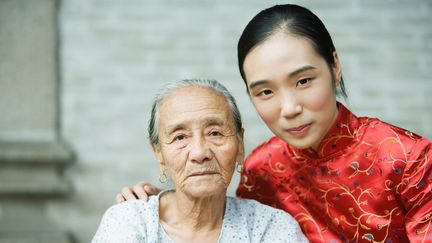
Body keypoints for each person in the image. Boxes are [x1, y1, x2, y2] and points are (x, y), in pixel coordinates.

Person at [116, 4, 432, 243]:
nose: (290, 108)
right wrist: (171, 201)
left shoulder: (411, 159)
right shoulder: (262, 170)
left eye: (304, 81)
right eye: (266, 91)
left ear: (335, 66)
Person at [92, 79, 308, 243]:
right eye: (180, 137)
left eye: (215, 133)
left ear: (240, 144)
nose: (199, 152)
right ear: (159, 153)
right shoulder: (130, 222)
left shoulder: (271, 228)